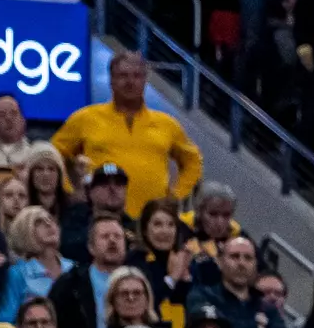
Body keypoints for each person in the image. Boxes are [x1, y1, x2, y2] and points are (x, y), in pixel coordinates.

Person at [52, 53, 203, 218]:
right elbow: (51, 155)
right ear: (111, 80)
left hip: (151, 222)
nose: (130, 82)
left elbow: (193, 161)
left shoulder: (167, 124)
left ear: (145, 80)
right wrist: (69, 192)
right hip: (98, 219)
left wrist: (175, 196)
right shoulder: (85, 118)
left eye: (137, 76)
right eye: (123, 76)